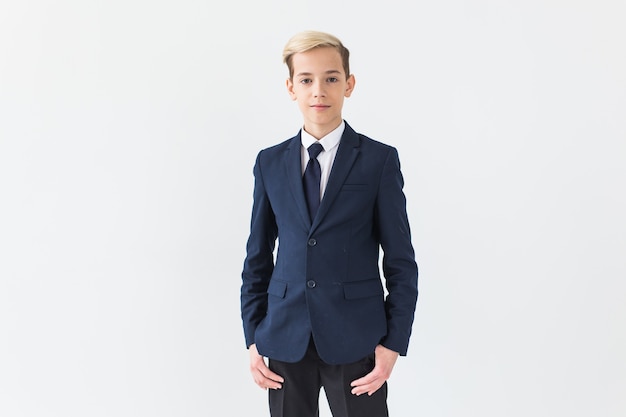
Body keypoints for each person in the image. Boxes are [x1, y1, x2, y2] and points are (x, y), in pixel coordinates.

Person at [240, 30, 419, 417]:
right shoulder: (269, 163)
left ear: (349, 84)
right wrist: (253, 337)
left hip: (357, 340)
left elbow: (401, 261)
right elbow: (257, 256)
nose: (318, 90)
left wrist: (393, 342)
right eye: (306, 79)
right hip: (285, 339)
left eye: (331, 78)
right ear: (291, 88)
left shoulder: (378, 160)